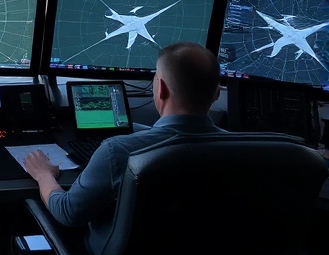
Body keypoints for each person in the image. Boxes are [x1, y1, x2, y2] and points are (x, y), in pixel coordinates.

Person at [24, 42, 224, 255]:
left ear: (161, 88)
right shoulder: (246, 150)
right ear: (216, 93)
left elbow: (68, 213)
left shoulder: (118, 151)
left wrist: (44, 175)